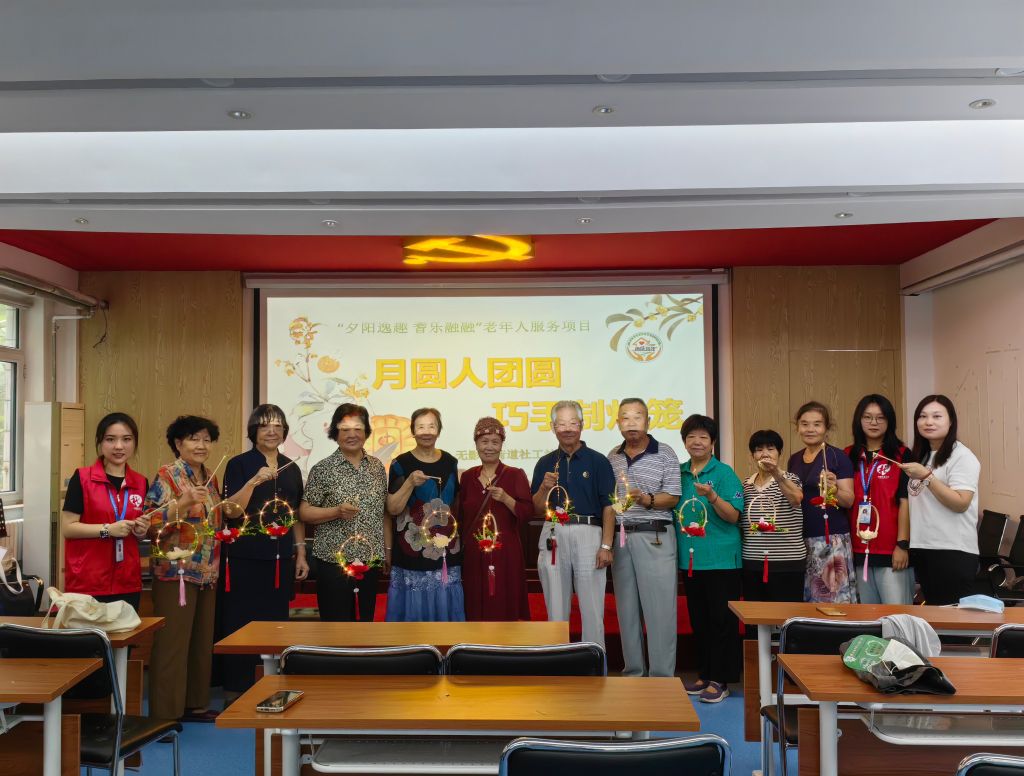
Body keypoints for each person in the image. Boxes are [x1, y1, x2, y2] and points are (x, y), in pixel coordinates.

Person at [219, 404, 309, 699]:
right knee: (240, 623)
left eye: (278, 425)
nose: (272, 431)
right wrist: (254, 481)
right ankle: (236, 689)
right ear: (253, 431)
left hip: (280, 560)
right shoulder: (239, 464)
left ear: (285, 431)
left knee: (276, 625)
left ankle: (271, 686)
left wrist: (301, 553)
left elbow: (295, 515)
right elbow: (231, 511)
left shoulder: (291, 467)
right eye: (265, 425)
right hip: (244, 558)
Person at [145, 415, 230, 722]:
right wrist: (182, 502)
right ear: (179, 443)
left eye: (207, 439)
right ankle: (164, 714)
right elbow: (149, 522)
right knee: (172, 643)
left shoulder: (210, 477)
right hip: (175, 572)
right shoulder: (167, 475)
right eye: (194, 439)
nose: (202, 445)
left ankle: (194, 704)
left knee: (200, 641)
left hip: (207, 570)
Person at [606, 398, 681, 678]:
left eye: (637, 417)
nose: (631, 423)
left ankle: (661, 678)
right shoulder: (612, 456)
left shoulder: (665, 452)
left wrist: (646, 499)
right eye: (625, 418)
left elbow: (673, 497)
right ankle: (633, 674)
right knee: (626, 611)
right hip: (622, 538)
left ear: (648, 421)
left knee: (660, 612)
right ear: (618, 423)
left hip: (655, 534)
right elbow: (612, 503)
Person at [531, 400, 615, 648]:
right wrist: (544, 488)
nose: (567, 429)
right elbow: (536, 508)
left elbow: (609, 506)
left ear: (582, 425)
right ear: (552, 427)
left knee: (592, 607)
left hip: (589, 532)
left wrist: (606, 545)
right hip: (554, 531)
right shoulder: (544, 462)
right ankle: (556, 660)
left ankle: (594, 662)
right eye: (561, 424)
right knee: (555, 605)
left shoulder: (598, 461)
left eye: (573, 423)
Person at [675, 414, 744, 703]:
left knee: (721, 622)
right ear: (684, 442)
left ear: (712, 442)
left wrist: (713, 497)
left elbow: (734, 516)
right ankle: (704, 674)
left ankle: (721, 679)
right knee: (700, 621)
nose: (697, 442)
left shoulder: (724, 473)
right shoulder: (678, 473)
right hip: (691, 560)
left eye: (703, 437)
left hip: (722, 560)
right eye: (691, 437)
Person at [300, 403, 388, 621]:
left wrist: (387, 550)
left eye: (358, 428)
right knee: (335, 626)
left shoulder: (377, 467)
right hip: (333, 562)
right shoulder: (323, 468)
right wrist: (336, 511)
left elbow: (383, 513)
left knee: (364, 623)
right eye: (345, 429)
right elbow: (304, 512)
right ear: (335, 432)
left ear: (366, 432)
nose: (352, 434)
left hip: (369, 560)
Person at [61, 412, 150, 609]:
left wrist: (141, 531)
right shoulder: (82, 478)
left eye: (126, 439)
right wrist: (108, 530)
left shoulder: (141, 482)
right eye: (110, 439)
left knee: (125, 630)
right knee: (88, 631)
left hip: (127, 581)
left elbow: (139, 533)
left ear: (134, 443)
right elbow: (68, 528)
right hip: (88, 581)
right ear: (100, 442)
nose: (119, 446)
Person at [385, 407, 464, 621]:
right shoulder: (400, 463)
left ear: (439, 430)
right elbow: (392, 509)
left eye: (431, 426)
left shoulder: (450, 462)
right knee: (414, 606)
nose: (426, 431)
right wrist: (410, 483)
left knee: (445, 599)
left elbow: (455, 503)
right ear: (413, 431)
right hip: (412, 548)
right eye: (420, 427)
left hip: (445, 546)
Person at [901, 395, 980, 605]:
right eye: (923, 416)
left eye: (937, 416)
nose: (929, 422)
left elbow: (961, 503)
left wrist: (927, 477)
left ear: (951, 421)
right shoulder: (924, 455)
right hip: (924, 547)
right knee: (935, 615)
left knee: (952, 618)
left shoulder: (962, 456)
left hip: (952, 550)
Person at [459, 417, 532, 621]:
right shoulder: (467, 477)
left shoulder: (515, 474)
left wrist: (507, 499)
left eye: (495, 442)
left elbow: (527, 513)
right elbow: (461, 515)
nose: (489, 447)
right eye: (484, 442)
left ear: (501, 445)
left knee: (504, 601)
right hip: (474, 553)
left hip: (505, 553)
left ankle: (506, 640)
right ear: (476, 444)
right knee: (474, 600)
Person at [846, 394, 913, 605]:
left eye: (880, 417)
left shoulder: (902, 455)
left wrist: (902, 545)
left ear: (889, 421)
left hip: (891, 551)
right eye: (867, 417)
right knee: (868, 618)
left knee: (897, 617)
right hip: (857, 550)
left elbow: (906, 501)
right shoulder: (847, 455)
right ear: (859, 420)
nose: (873, 422)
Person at [788, 401, 857, 604]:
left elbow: (849, 500)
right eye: (805, 424)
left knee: (832, 599)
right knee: (809, 600)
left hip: (830, 539)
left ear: (827, 428)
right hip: (801, 540)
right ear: (797, 427)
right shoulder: (794, 459)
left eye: (817, 424)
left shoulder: (837, 457)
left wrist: (833, 490)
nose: (810, 429)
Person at [740, 429, 805, 603]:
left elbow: (796, 498)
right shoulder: (746, 484)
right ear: (753, 455)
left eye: (770, 449)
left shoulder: (791, 478)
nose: (765, 454)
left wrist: (776, 473)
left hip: (787, 562)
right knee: (754, 616)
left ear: (779, 453)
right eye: (759, 450)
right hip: (752, 561)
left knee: (785, 616)